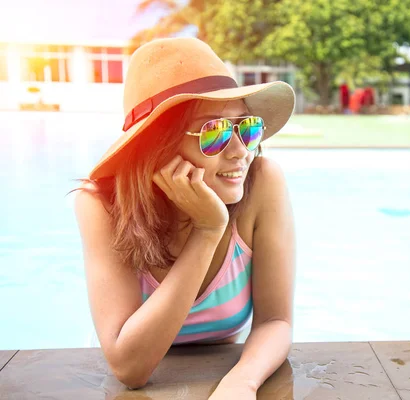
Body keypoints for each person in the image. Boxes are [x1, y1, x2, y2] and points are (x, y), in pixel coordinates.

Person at [72, 37, 296, 398]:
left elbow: (276, 321)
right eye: (215, 132)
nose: (241, 151)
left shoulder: (263, 182)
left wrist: (242, 382)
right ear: (158, 146)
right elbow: (129, 369)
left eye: (246, 126)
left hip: (227, 370)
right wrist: (207, 231)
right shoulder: (101, 205)